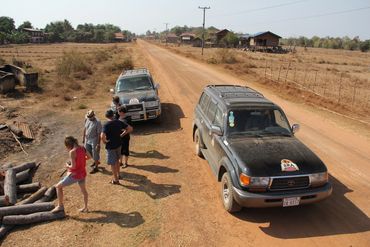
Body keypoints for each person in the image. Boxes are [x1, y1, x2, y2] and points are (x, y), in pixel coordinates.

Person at [52, 136, 90, 213]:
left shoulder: (72, 152)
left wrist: (67, 165)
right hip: (83, 173)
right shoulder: (83, 148)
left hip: (75, 175)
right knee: (84, 191)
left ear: (68, 145)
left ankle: (60, 206)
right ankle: (85, 208)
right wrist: (81, 159)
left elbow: (73, 166)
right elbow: (89, 157)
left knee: (58, 187)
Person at [101, 109, 133, 184]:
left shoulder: (106, 124)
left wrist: (104, 141)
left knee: (113, 163)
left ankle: (115, 180)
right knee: (117, 161)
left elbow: (102, 135)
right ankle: (118, 175)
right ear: (113, 115)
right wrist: (121, 135)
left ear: (106, 116)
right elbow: (130, 128)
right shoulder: (119, 122)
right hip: (118, 144)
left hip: (110, 146)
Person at [82, 110, 102, 174]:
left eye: (90, 117)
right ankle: (96, 161)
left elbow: (99, 134)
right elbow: (85, 129)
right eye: (88, 117)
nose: (89, 118)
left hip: (94, 139)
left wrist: (98, 144)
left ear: (93, 116)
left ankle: (96, 167)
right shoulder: (87, 119)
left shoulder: (98, 122)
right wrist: (83, 138)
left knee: (95, 152)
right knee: (88, 152)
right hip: (87, 139)